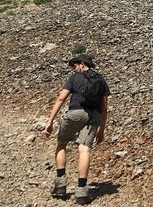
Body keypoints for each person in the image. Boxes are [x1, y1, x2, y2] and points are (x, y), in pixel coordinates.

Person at [44, 53, 110, 204]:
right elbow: (105, 108)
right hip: (94, 116)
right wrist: (102, 130)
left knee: (61, 143)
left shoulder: (75, 78)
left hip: (75, 113)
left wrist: (50, 120)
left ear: (82, 64)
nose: (73, 70)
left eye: (74, 66)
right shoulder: (101, 79)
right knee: (84, 149)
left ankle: (60, 185)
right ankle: (81, 191)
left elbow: (61, 98)